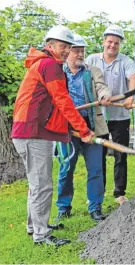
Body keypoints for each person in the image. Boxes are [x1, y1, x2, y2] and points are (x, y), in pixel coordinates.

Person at [11, 26, 95, 246]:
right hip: (32, 133)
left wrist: (70, 129)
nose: (66, 50)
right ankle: (41, 235)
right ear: (50, 46)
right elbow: (63, 101)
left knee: (36, 183)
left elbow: (53, 106)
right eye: (63, 46)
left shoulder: (42, 63)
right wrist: (84, 129)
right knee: (42, 185)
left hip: (30, 131)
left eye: (69, 46)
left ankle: (35, 227)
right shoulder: (49, 65)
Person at [55, 34, 111, 222]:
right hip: (67, 128)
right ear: (68, 51)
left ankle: (95, 207)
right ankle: (63, 207)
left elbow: (102, 87)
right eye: (76, 50)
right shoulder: (58, 72)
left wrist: (104, 96)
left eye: (82, 51)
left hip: (91, 127)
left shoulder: (92, 71)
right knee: (66, 168)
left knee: (95, 169)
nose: (80, 54)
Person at [86, 25, 135, 205]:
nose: (112, 45)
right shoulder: (92, 59)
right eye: (109, 42)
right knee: (98, 155)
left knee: (120, 155)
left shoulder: (125, 61)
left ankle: (119, 193)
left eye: (116, 43)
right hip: (98, 117)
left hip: (120, 116)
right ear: (104, 42)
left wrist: (130, 96)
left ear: (120, 44)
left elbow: (134, 78)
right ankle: (98, 193)